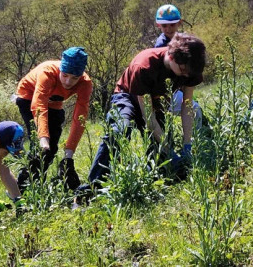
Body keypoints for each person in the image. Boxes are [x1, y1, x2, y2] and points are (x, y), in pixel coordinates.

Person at [79, 33, 206, 191]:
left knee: (163, 161)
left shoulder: (190, 67)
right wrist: (168, 148)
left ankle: (150, 177)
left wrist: (188, 144)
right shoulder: (145, 65)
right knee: (119, 129)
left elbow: (186, 106)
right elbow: (147, 115)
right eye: (183, 71)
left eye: (189, 74)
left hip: (157, 101)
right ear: (172, 57)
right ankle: (93, 185)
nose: (186, 76)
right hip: (128, 97)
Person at [14, 47, 92, 191]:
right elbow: (39, 104)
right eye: (65, 75)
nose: (68, 82)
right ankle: (23, 187)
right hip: (28, 97)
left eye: (75, 78)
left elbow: (79, 117)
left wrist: (70, 152)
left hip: (55, 102)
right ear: (60, 70)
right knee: (40, 146)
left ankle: (37, 181)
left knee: (52, 147)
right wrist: (43, 137)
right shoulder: (47, 72)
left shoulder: (85, 83)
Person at [153, 4, 204, 127]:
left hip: (177, 87)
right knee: (193, 109)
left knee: (194, 108)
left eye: (172, 24)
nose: (168, 29)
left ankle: (202, 133)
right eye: (164, 25)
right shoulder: (161, 45)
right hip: (167, 89)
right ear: (158, 25)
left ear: (179, 23)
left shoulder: (181, 39)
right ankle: (197, 136)